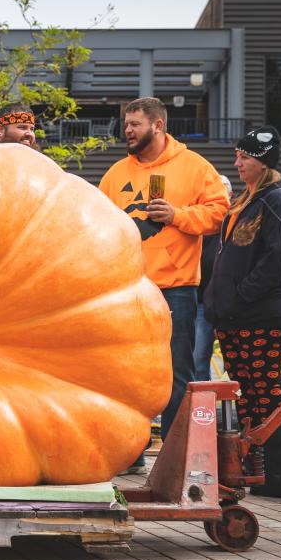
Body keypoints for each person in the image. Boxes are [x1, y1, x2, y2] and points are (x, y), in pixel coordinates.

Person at [99, 97, 228, 470]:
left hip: (176, 288)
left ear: (157, 126)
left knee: (177, 373)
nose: (127, 130)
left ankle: (173, 458)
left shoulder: (194, 167)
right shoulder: (115, 173)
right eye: (126, 124)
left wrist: (177, 215)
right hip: (125, 288)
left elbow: (219, 213)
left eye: (135, 124)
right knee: (122, 372)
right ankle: (129, 453)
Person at [204, 127, 281, 430]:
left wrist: (241, 294)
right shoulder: (245, 200)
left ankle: (273, 465)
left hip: (260, 314)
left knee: (264, 392)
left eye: (244, 157)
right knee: (243, 392)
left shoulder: (278, 199)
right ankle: (249, 461)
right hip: (233, 315)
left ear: (263, 162)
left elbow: (278, 258)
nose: (238, 163)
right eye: (236, 156)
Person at [193, 175, 234, 380]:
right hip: (196, 296)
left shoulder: (233, 222)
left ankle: (208, 405)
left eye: (222, 190)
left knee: (205, 357)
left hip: (222, 299)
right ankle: (196, 406)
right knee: (195, 356)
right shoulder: (199, 219)